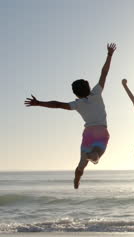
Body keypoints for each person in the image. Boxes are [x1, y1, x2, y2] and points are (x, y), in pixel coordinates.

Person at [24, 43, 117, 189]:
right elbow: (104, 73)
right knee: (98, 153)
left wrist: (38, 103)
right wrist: (110, 54)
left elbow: (57, 104)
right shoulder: (96, 93)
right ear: (88, 87)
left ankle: (77, 180)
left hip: (88, 133)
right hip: (101, 131)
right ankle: (93, 156)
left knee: (81, 163)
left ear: (76, 93)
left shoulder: (77, 104)